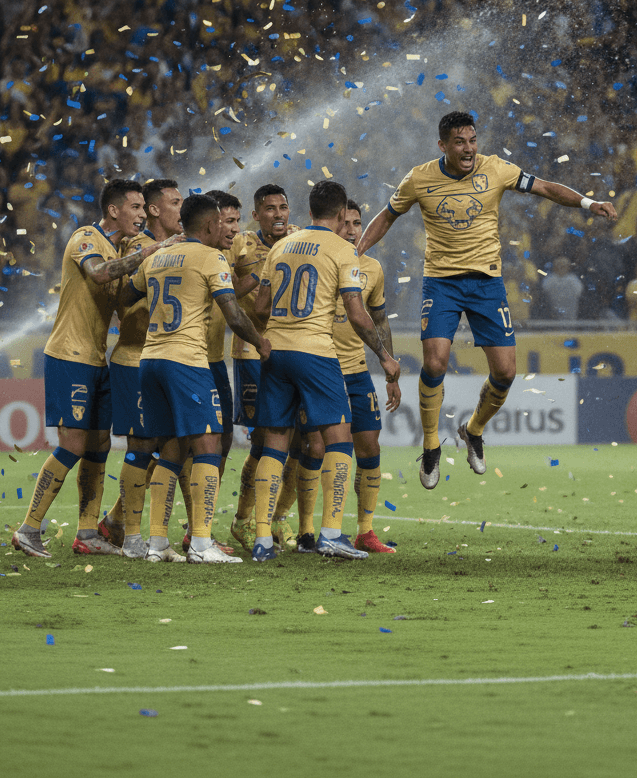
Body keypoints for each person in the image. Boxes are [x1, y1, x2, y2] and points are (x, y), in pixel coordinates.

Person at [356, 111, 616, 489]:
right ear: (442, 145)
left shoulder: (496, 169)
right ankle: (431, 446)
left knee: (506, 372)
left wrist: (588, 204)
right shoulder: (419, 178)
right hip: (441, 283)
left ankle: (473, 430)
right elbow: (388, 214)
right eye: (460, 142)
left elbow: (545, 187)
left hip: (487, 284)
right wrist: (358, 249)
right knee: (434, 362)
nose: (469, 149)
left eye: (473, 140)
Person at [12, 179, 179, 559]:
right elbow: (101, 273)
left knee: (99, 445)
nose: (140, 214)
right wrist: (153, 250)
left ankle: (87, 533)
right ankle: (29, 528)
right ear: (114, 210)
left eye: (142, 208)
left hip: (96, 357)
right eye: (135, 207)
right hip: (69, 355)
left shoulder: (119, 245)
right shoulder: (86, 238)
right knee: (72, 443)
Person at [249, 180, 401, 561]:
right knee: (338, 438)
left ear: (310, 209)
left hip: (275, 352)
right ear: (337, 215)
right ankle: (332, 534)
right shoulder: (341, 249)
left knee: (276, 443)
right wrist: (384, 355)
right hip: (315, 352)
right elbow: (357, 314)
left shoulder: (281, 245)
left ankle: (263, 538)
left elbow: (260, 308)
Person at [119, 193, 271, 564]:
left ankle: (157, 543)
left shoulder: (157, 255)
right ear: (209, 225)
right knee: (208, 445)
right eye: (222, 222)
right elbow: (233, 315)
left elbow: (125, 295)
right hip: (187, 361)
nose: (227, 229)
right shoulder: (210, 257)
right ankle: (201, 543)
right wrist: (261, 343)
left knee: (170, 448)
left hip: (151, 360)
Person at [288, 199, 402, 554]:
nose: (352, 229)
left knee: (369, 446)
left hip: (356, 371)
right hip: (320, 368)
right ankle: (307, 531)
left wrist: (389, 366)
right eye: (347, 222)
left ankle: (365, 531)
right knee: (316, 446)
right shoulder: (323, 259)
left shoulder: (372, 268)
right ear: (335, 222)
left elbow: (379, 320)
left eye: (358, 222)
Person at [101, 178, 184, 558]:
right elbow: (124, 302)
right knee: (141, 445)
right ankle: (132, 537)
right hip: (134, 358)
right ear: (154, 209)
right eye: (175, 202)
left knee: (169, 446)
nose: (182, 209)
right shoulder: (139, 247)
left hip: (162, 358)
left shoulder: (176, 246)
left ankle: (126, 525)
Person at [227, 184, 295, 552]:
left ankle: (276, 519)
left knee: (294, 440)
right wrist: (262, 273)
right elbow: (227, 292)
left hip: (290, 351)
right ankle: (244, 520)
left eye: (283, 207)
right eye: (270, 209)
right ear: (257, 215)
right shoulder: (241, 244)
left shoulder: (300, 239)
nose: (278, 214)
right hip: (252, 351)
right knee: (262, 441)